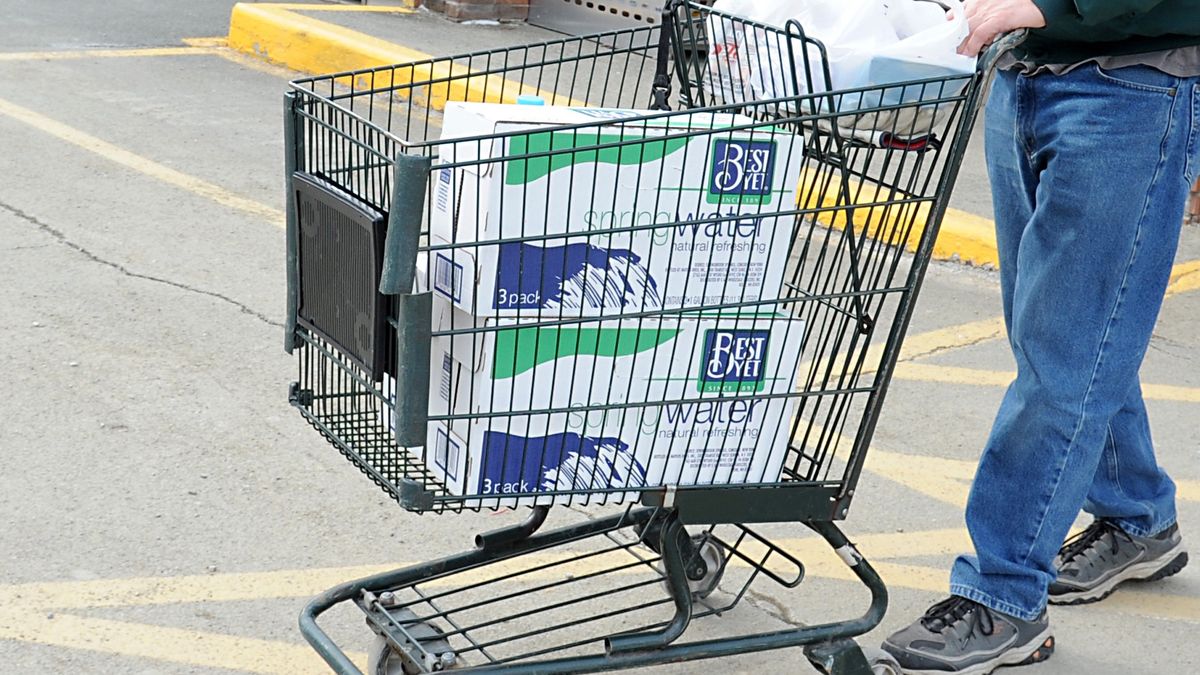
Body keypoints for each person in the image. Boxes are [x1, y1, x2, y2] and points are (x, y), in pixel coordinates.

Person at [881, 0, 1200, 672]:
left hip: (1128, 88)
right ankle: (1137, 513)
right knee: (1064, 338)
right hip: (1025, 71)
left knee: (1065, 362)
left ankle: (1001, 596)